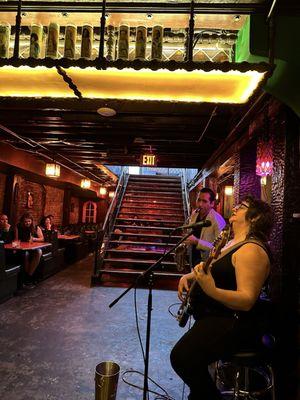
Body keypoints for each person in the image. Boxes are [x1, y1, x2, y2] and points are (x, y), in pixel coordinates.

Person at [170, 195, 274, 400]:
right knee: (188, 360)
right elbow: (214, 266)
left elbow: (247, 300)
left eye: (242, 207)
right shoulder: (233, 242)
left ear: (254, 218)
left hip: (234, 322)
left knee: (182, 358)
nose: (235, 207)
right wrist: (189, 276)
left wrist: (212, 291)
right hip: (216, 317)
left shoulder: (251, 250)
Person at [185, 187, 226, 266]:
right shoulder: (194, 214)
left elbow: (219, 248)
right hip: (193, 259)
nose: (200, 204)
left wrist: (197, 241)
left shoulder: (218, 220)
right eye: (199, 200)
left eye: (204, 201)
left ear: (212, 203)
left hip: (207, 264)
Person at [15, 213, 44, 286]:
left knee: (39, 251)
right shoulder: (18, 227)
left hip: (33, 247)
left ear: (32, 221)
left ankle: (29, 276)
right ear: (22, 222)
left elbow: (42, 238)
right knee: (26, 254)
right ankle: (27, 277)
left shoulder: (36, 227)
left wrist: (34, 239)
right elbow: (16, 239)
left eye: (29, 221)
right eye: (25, 222)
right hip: (23, 248)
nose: (27, 223)